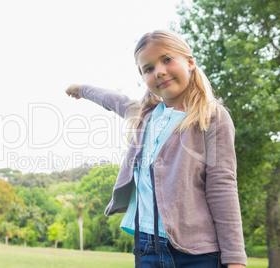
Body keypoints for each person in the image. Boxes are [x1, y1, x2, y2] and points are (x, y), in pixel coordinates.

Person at [65, 30, 247, 268]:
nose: (159, 71)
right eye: (148, 69)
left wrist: (235, 259)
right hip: (147, 246)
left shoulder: (211, 117)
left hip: (197, 253)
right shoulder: (144, 115)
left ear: (190, 62)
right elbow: (112, 99)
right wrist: (81, 89)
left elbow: (222, 187)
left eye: (167, 59)